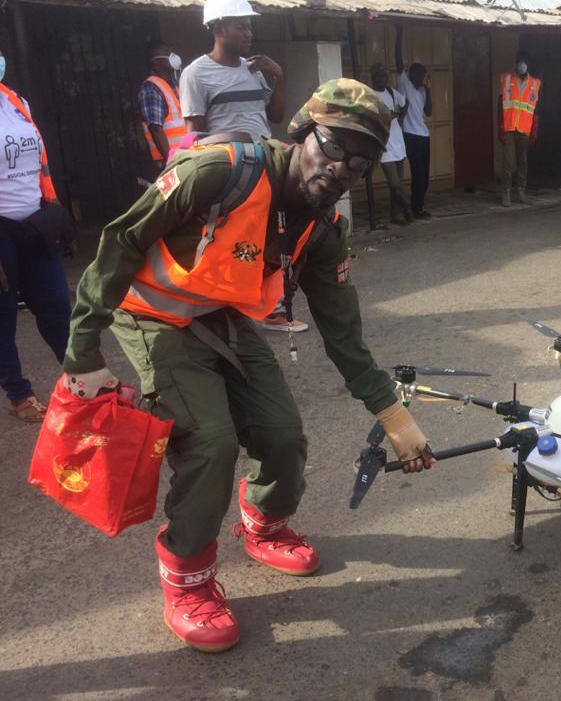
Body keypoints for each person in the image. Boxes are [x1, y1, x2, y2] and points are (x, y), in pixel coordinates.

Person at [62, 79, 436, 651]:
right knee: (210, 441)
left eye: (359, 162)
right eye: (334, 146)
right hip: (152, 316)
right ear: (304, 132)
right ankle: (187, 579)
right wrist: (82, 354)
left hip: (223, 319)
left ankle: (264, 521)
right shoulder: (219, 171)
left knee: (282, 433)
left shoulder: (321, 228)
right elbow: (120, 242)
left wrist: (395, 419)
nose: (340, 167)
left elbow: (344, 334)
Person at [180, 0, 306, 334]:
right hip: (229, 168)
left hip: (266, 160)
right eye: (241, 27)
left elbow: (276, 115)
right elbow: (194, 133)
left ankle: (270, 306)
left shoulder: (255, 71)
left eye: (250, 27)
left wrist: (278, 77)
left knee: (272, 234)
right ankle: (228, 303)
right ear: (219, 28)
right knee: (232, 237)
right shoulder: (196, 74)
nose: (249, 34)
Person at [0, 49, 73, 423]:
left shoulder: (16, 101)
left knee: (57, 305)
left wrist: (55, 211)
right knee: (3, 315)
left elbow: (39, 164)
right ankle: (19, 392)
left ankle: (81, 378)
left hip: (36, 221)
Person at [369, 62, 413, 227]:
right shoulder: (371, 95)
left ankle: (396, 214)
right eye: (379, 76)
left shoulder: (390, 92)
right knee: (394, 184)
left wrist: (400, 117)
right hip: (384, 144)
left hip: (398, 141)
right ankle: (407, 207)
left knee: (398, 184)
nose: (382, 79)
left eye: (384, 76)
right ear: (373, 77)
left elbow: (405, 103)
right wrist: (384, 118)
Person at [394, 27, 432, 221]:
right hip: (410, 135)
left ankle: (419, 206)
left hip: (424, 136)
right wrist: (400, 33)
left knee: (424, 176)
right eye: (420, 74)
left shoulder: (423, 91)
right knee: (417, 173)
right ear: (412, 74)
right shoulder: (405, 83)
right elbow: (398, 62)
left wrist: (429, 89)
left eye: (424, 74)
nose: (422, 77)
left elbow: (429, 112)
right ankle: (414, 208)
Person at [498, 51, 541, 208]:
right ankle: (506, 192)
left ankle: (521, 191)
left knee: (522, 161)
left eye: (524, 62)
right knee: (508, 162)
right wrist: (500, 127)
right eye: (520, 62)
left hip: (524, 128)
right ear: (515, 64)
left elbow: (535, 110)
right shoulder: (506, 79)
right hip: (508, 127)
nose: (522, 65)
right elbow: (499, 105)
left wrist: (534, 130)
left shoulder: (535, 83)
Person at [138, 42, 186, 182]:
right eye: (167, 52)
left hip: (185, 157)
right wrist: (171, 161)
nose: (173, 55)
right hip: (170, 163)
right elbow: (155, 129)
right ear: (156, 62)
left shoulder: (175, 86)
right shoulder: (151, 88)